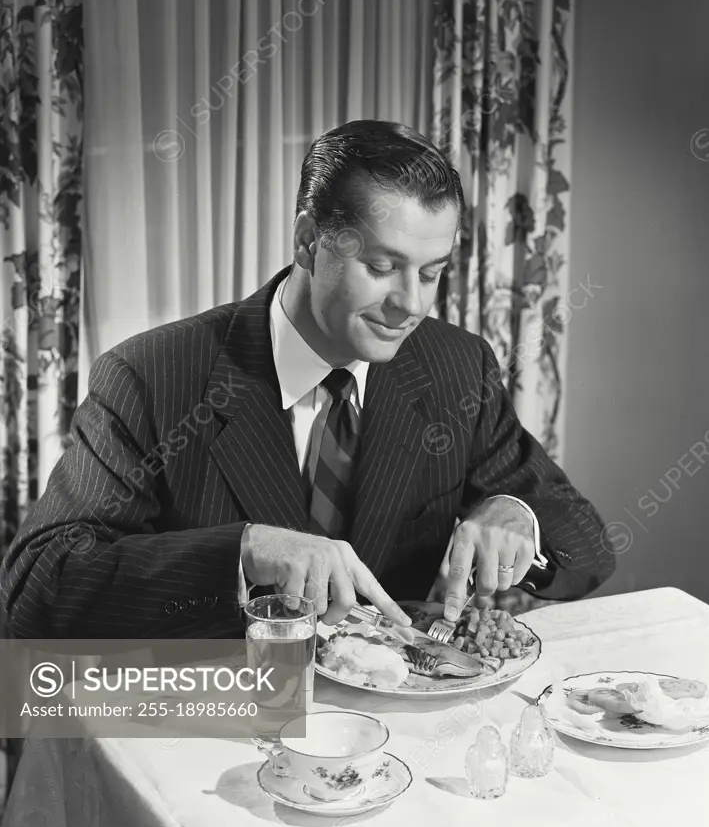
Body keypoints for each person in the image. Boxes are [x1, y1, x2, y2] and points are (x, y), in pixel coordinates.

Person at [0, 120, 614, 639]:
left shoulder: (458, 367)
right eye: (380, 267)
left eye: (431, 274)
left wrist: (515, 518)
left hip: (396, 736)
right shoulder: (150, 377)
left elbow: (587, 542)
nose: (411, 305)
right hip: (213, 721)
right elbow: (34, 591)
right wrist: (242, 553)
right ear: (306, 240)